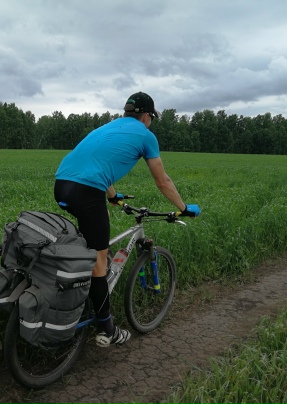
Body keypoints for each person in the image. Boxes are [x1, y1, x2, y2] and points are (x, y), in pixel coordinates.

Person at [54, 91, 200, 347]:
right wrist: (184, 207)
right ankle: (107, 329)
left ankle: (83, 292)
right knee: (99, 260)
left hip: (62, 185)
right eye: (151, 118)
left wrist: (112, 196)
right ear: (146, 116)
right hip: (86, 192)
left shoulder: (109, 127)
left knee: (94, 242)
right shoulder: (145, 135)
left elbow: (98, 165)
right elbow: (162, 181)